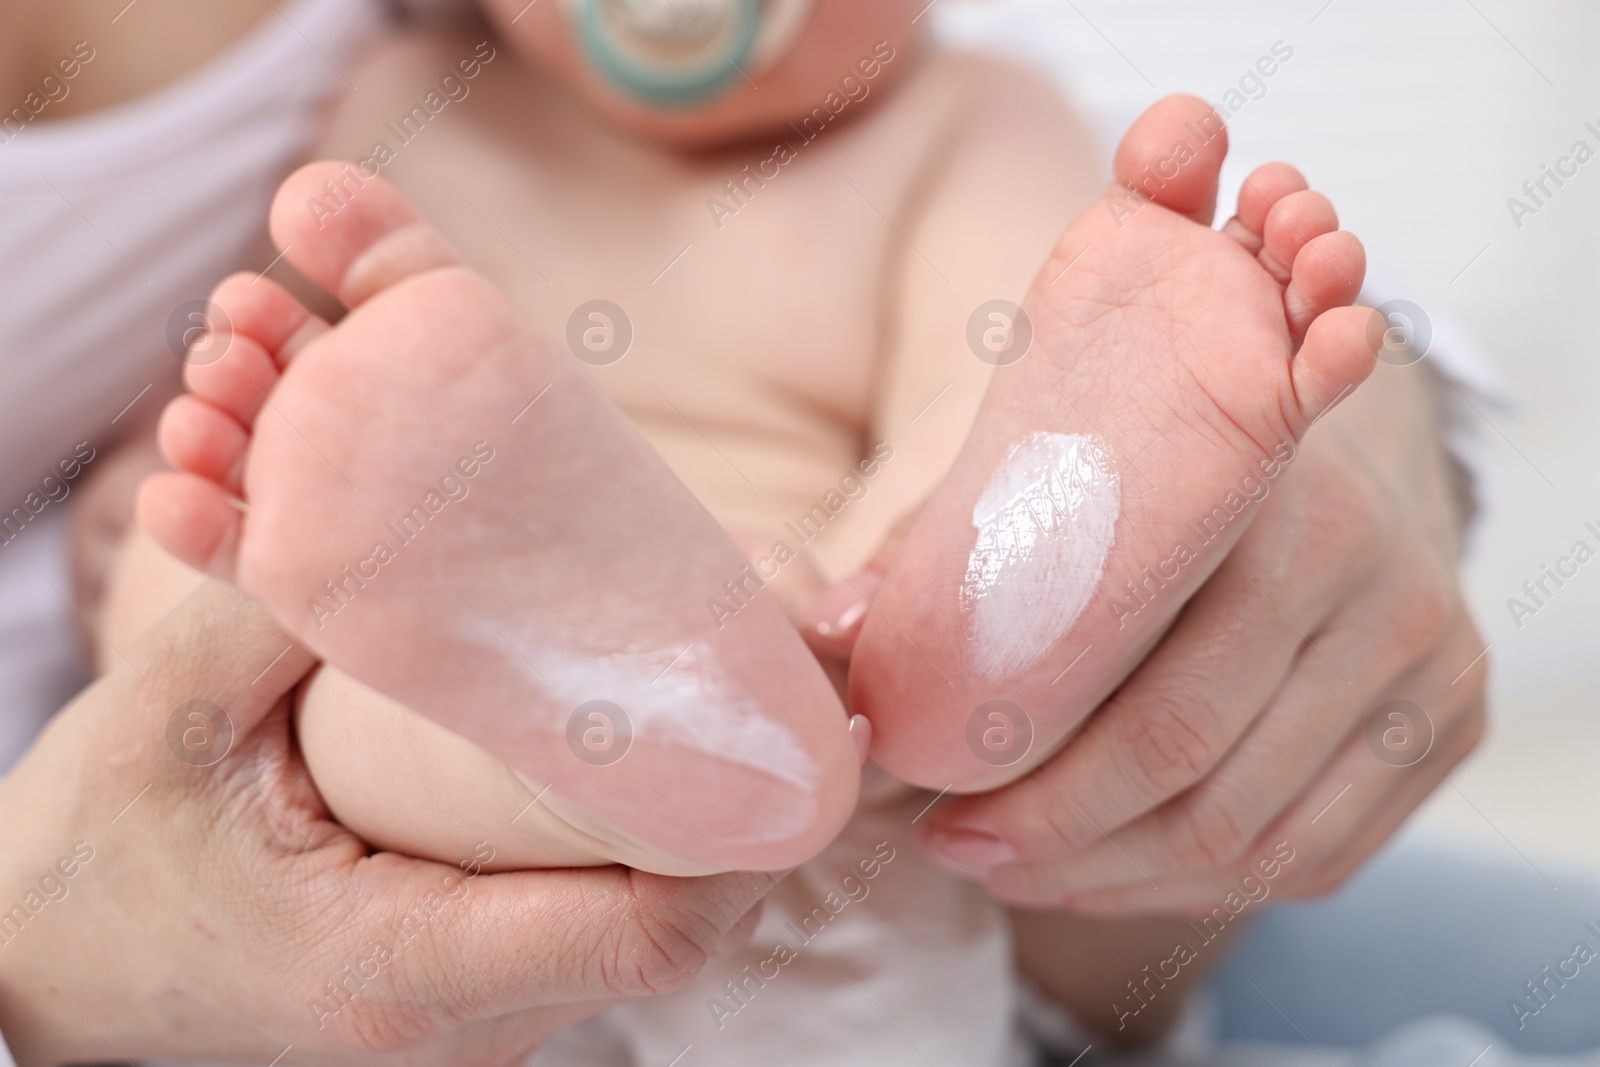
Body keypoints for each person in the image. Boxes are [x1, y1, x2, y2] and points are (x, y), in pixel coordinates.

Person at [0, 2, 772, 1063]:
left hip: (780, 622)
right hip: (170, 755)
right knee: (261, 632)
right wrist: (45, 949)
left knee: (310, 648)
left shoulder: (971, 118)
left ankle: (655, 729)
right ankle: (646, 732)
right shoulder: (420, 102)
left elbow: (975, 458)